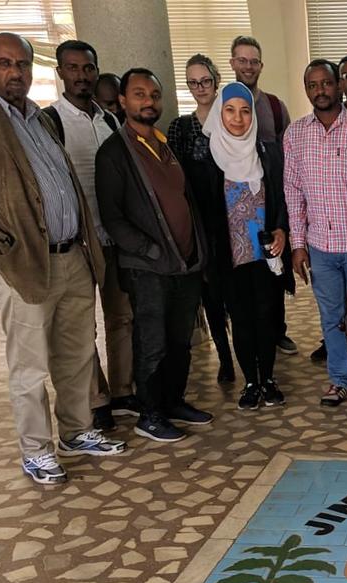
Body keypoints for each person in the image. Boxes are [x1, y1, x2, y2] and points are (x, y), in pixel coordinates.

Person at [0, 32, 125, 485]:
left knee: (77, 353)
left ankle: (77, 431)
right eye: (5, 63)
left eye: (22, 63)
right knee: (29, 366)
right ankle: (36, 450)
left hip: (72, 255)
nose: (15, 71)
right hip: (24, 265)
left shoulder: (39, 119)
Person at [95, 68, 212, 442]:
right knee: (152, 343)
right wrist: (150, 250)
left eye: (155, 95)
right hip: (148, 268)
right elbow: (112, 217)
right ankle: (150, 414)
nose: (149, 102)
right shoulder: (114, 152)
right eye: (140, 94)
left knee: (180, 340)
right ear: (123, 101)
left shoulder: (164, 144)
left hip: (184, 264)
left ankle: (173, 401)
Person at [46, 39, 138, 432]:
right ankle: (96, 399)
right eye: (73, 68)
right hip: (79, 239)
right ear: (60, 72)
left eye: (88, 68)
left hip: (115, 234)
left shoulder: (110, 120)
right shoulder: (50, 120)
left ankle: (122, 391)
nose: (81, 75)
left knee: (122, 317)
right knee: (83, 327)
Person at [285, 60, 347, 409]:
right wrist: (297, 245)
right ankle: (339, 380)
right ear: (306, 89)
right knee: (332, 316)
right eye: (313, 85)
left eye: (326, 83)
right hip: (320, 247)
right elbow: (293, 193)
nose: (320, 90)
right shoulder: (295, 134)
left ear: (338, 85)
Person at [193, 82, 293, 410]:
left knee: (267, 318)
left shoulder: (266, 153)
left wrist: (281, 230)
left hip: (265, 256)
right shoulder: (206, 160)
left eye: (245, 110)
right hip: (229, 260)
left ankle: (268, 378)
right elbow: (203, 216)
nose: (238, 118)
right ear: (220, 114)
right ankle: (250, 381)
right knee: (242, 321)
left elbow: (281, 200)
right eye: (230, 110)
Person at [167, 53, 236, 386]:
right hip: (200, 224)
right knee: (211, 296)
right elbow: (175, 182)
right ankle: (225, 358)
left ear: (216, 80)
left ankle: (249, 354)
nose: (200, 88)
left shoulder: (233, 119)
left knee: (240, 296)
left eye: (205, 81)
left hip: (235, 222)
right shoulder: (180, 128)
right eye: (193, 83)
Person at [229, 35, 296, 356]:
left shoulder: (274, 107)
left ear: (261, 66)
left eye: (253, 61)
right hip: (234, 209)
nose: (248, 66)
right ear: (232, 64)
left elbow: (288, 155)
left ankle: (276, 332)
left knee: (274, 271)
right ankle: (250, 339)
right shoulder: (222, 105)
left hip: (270, 203)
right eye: (242, 60)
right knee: (244, 281)